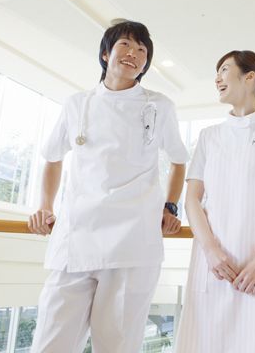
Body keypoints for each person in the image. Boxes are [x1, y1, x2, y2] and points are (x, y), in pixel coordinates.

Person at [27, 21, 188, 353]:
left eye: (142, 50)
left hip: (132, 241)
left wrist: (170, 206)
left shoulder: (159, 106)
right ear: (105, 53)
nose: (134, 54)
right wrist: (45, 206)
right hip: (75, 239)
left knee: (117, 346)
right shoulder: (77, 103)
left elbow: (178, 160)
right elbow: (52, 157)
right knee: (50, 342)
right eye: (125, 45)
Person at [175, 50, 255, 353]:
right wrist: (211, 251)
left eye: (224, 69)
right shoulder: (209, 136)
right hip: (212, 264)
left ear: (250, 77)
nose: (217, 78)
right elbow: (191, 200)